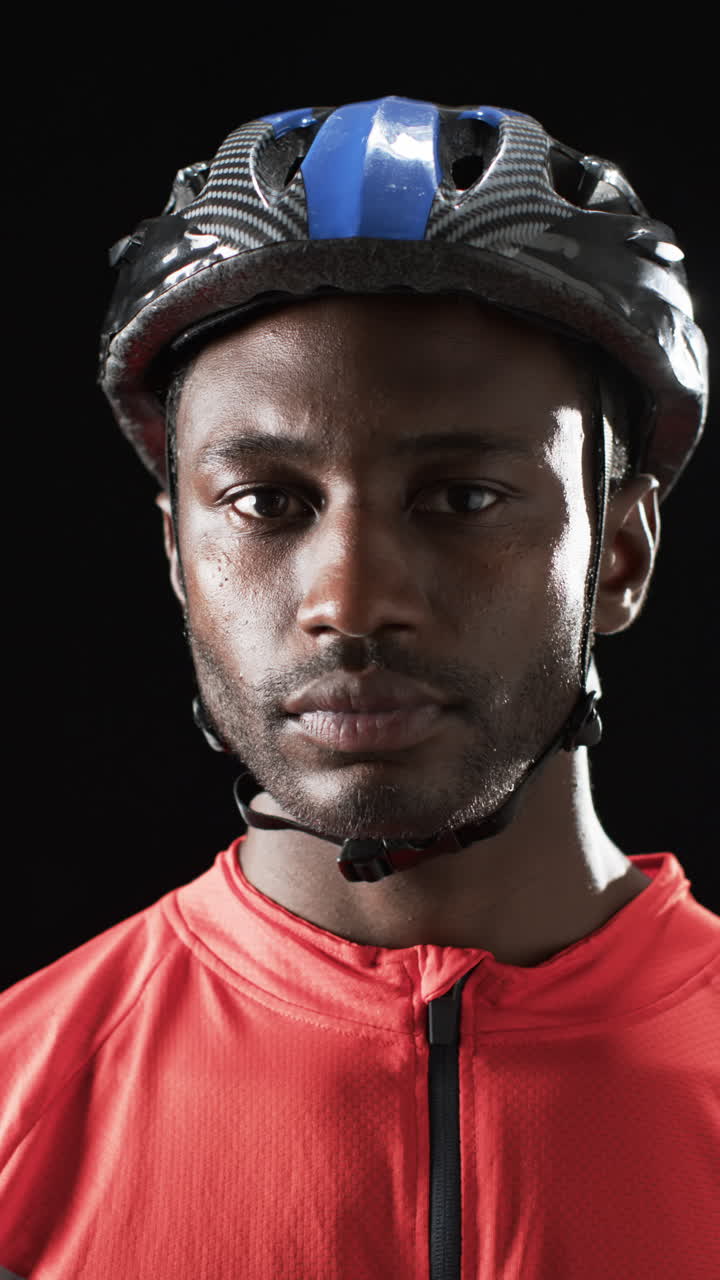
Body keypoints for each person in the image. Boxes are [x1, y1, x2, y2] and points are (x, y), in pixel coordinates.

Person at [1, 96, 717, 1280]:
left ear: (621, 555)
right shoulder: (20, 1104)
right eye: (267, 502)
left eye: (463, 498)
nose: (353, 597)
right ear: (178, 555)